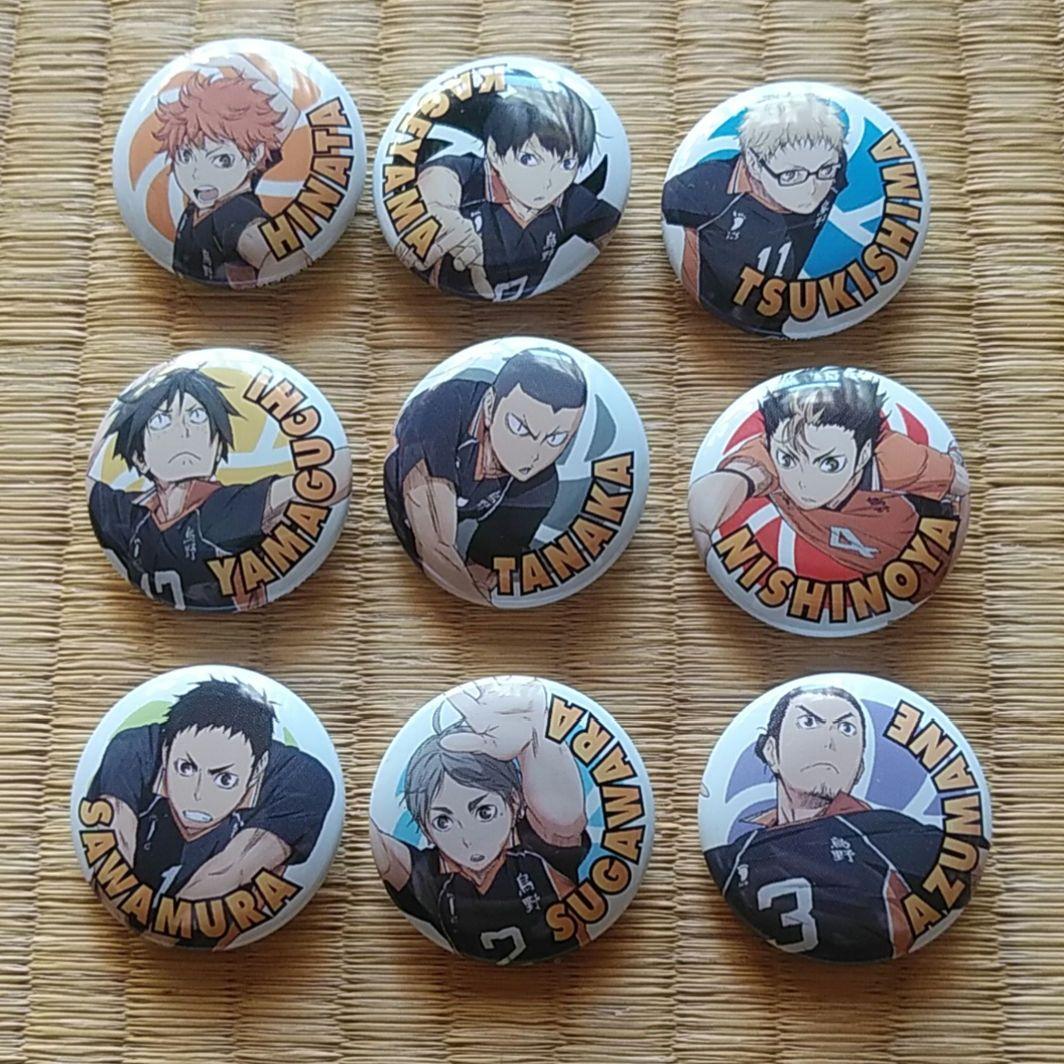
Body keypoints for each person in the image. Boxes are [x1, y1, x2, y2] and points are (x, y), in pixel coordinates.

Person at [705, 685, 958, 962]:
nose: (828, 742)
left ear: (859, 768)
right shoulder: (733, 857)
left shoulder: (910, 843)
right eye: (808, 722)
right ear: (771, 752)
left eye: (846, 729)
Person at [87, 365, 349, 610]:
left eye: (197, 416)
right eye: (161, 421)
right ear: (139, 457)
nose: (184, 432)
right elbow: (95, 475)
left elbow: (324, 480)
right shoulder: (130, 513)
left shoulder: (223, 508)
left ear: (217, 444)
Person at [370, 679, 590, 964]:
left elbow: (564, 817)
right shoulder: (429, 877)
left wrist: (537, 739)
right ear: (426, 828)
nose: (467, 837)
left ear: (514, 801)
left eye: (485, 812)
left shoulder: (538, 851)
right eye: (443, 821)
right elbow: (383, 850)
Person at [688, 369, 969, 586]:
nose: (803, 481)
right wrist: (703, 527)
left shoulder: (895, 459)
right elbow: (727, 484)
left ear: (863, 454)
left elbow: (962, 486)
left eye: (829, 463)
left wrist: (941, 566)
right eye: (788, 460)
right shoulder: (771, 453)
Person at [85, 678, 335, 909]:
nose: (198, 795)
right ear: (165, 751)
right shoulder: (131, 750)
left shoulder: (303, 780)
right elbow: (110, 865)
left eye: (224, 779)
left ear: (257, 770)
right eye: (186, 768)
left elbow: (225, 878)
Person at [384, 348, 587, 604]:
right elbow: (435, 545)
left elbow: (482, 571)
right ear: (490, 406)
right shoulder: (443, 405)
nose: (533, 453)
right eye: (520, 427)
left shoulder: (541, 487)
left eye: (555, 439)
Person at [400, 78, 621, 301]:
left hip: (536, 308)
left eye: (567, 164)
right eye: (528, 159)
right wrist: (438, 214)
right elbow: (439, 177)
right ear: (494, 152)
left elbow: (609, 225)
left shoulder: (568, 200)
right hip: (440, 305)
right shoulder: (472, 175)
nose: (548, 181)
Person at [662, 92, 847, 333]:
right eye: (791, 175)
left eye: (825, 171)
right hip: (712, 324)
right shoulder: (703, 189)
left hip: (788, 320)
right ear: (754, 164)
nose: (812, 189)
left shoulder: (831, 164)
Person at [154, 53, 310, 286]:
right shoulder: (230, 184)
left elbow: (283, 255)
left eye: (221, 160)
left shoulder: (233, 214)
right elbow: (284, 117)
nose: (197, 174)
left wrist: (239, 64)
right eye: (185, 156)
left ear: (254, 156)